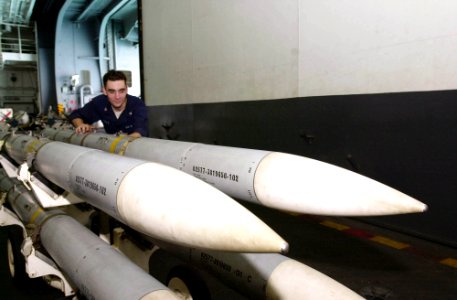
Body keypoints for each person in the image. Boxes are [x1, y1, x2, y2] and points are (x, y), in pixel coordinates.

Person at [69, 70, 148, 137]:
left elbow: (139, 131)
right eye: (111, 91)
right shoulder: (100, 102)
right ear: (105, 91)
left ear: (127, 89)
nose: (117, 96)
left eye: (121, 91)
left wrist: (121, 144)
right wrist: (80, 125)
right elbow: (76, 114)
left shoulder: (137, 104)